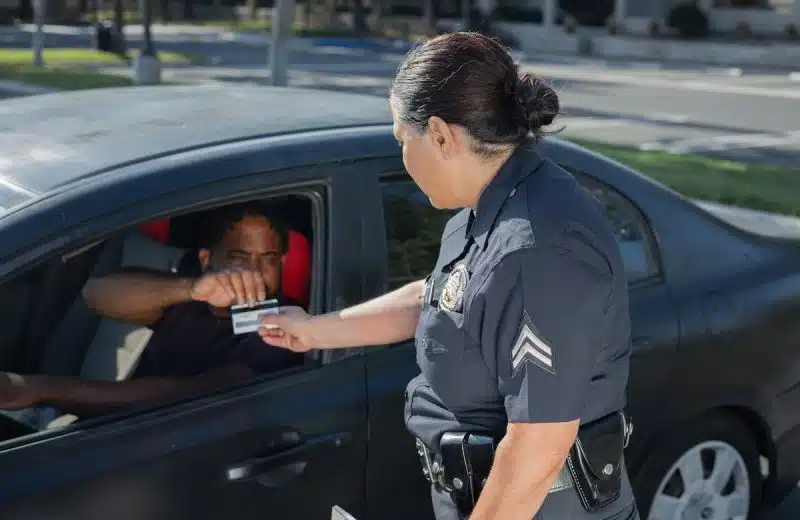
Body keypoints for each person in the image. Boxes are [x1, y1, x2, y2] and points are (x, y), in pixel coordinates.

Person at [258, 32, 639, 520]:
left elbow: (538, 444)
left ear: (440, 134)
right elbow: (443, 299)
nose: (402, 157)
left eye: (402, 140)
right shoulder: (487, 206)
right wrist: (313, 330)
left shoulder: (535, 249)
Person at [0, 203, 303, 418]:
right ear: (206, 258)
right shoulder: (195, 285)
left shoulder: (286, 324)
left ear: (283, 263)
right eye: (239, 257)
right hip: (109, 424)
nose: (254, 271)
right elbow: (97, 294)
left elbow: (186, 394)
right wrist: (191, 289)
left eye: (268, 259)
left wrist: (43, 388)